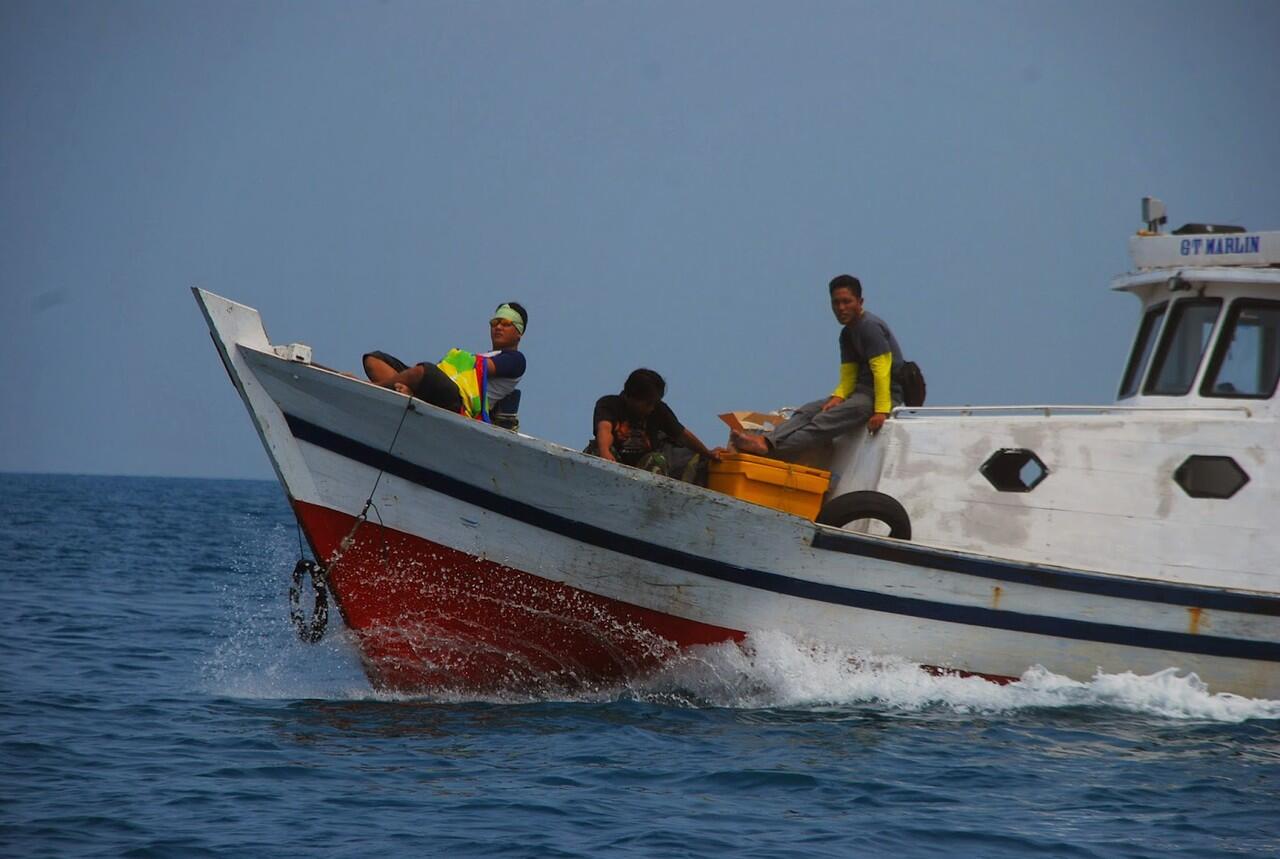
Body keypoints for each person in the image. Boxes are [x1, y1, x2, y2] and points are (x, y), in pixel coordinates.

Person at [732, 274, 903, 462]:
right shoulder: (847, 334)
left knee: (824, 421)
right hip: (859, 392)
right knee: (809, 410)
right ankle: (766, 441)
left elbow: (882, 372)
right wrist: (838, 396)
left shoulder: (870, 327)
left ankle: (769, 449)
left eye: (847, 302)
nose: (841, 308)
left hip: (882, 395)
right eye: (835, 303)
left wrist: (881, 410)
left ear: (860, 302)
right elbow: (849, 373)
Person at [363, 302, 528, 429]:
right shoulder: (481, 355)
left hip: (461, 401)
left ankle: (372, 388)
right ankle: (410, 395)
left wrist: (458, 356)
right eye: (495, 323)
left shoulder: (516, 359)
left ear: (519, 333)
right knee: (374, 360)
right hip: (444, 387)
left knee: (423, 371)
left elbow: (483, 367)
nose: (498, 327)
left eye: (505, 323)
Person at [586, 368, 722, 479]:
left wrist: (708, 453)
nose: (651, 408)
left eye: (654, 403)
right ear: (630, 397)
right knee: (596, 449)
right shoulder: (610, 404)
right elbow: (604, 428)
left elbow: (683, 435)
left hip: (641, 470)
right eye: (647, 404)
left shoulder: (658, 410)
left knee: (657, 459)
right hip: (614, 462)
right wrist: (604, 452)